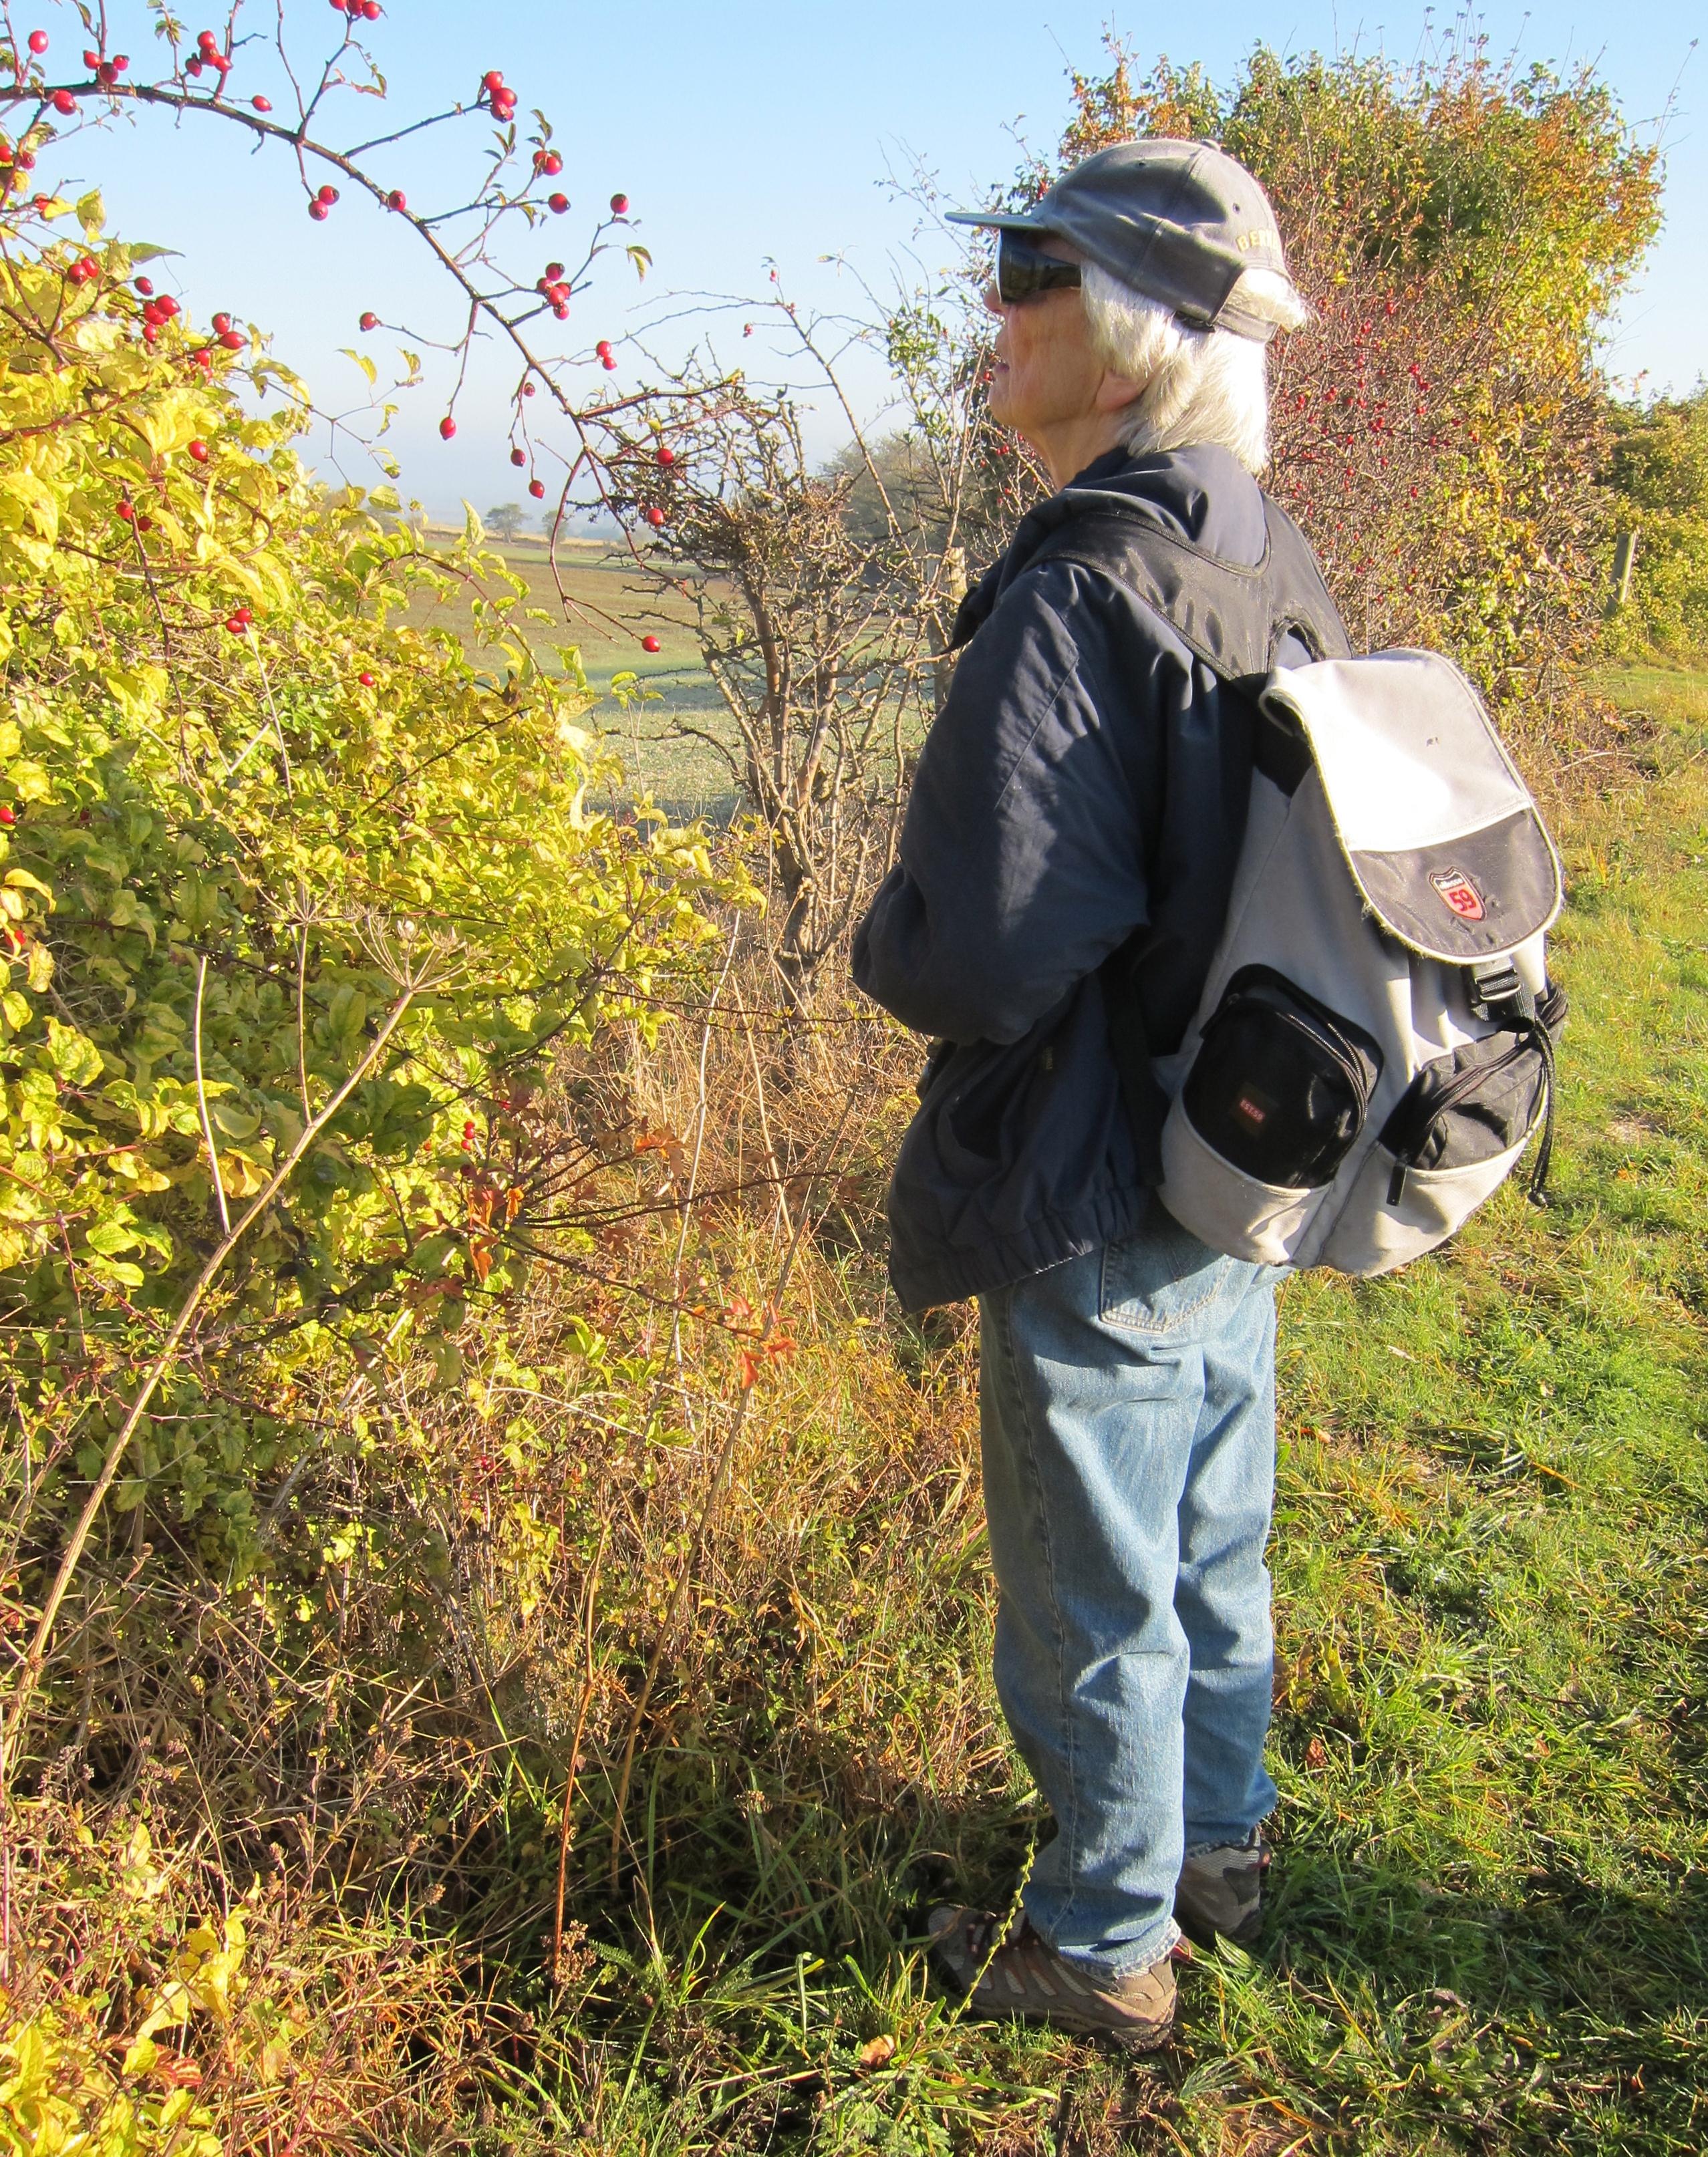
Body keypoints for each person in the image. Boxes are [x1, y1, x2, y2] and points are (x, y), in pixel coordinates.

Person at [851, 139, 1345, 2053]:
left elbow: (975, 956)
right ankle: (1215, 1842)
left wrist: (881, 943)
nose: (994, 315)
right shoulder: (1262, 553)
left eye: (1022, 271)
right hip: (1240, 1143)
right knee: (1211, 1524)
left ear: (1126, 331)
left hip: (1086, 1165)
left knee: (1090, 1581)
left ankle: (1098, 1938)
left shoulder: (1076, 590)